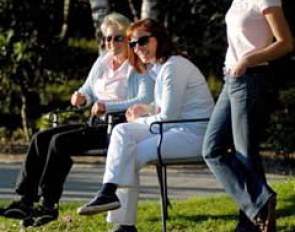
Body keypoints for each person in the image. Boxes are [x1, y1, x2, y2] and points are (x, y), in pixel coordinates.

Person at [0, 12, 154, 227]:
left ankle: (49, 204)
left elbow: (145, 98)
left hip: (118, 126)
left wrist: (107, 106)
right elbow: (88, 90)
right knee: (41, 137)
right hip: (97, 122)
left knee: (59, 142)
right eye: (108, 38)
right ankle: (26, 200)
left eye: (118, 38)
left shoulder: (136, 65)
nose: (112, 43)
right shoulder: (103, 61)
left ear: (129, 38)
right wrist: (80, 98)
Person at [76, 18, 215, 232]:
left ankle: (123, 223)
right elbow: (165, 107)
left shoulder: (173, 67)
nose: (137, 48)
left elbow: (168, 117)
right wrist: (147, 109)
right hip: (176, 129)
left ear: (158, 39)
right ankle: (108, 194)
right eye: (133, 44)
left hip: (194, 134)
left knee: (128, 152)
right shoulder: (159, 68)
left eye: (143, 41)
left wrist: (140, 119)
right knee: (121, 132)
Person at [201, 0, 293, 231]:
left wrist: (247, 60)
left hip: (251, 78)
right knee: (212, 149)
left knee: (245, 153)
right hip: (230, 79)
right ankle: (260, 204)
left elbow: (285, 43)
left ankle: (253, 222)